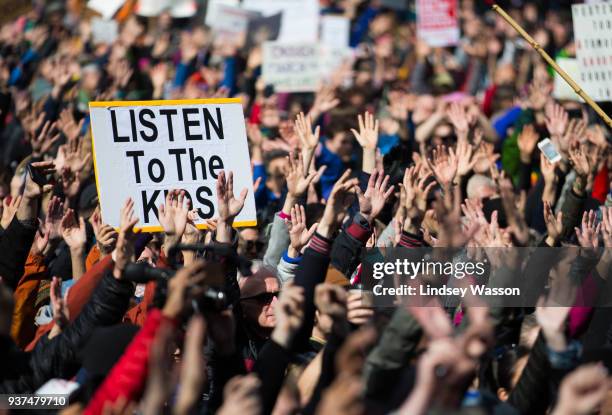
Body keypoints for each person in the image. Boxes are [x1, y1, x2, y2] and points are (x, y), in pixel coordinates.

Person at [0, 1, 611, 414]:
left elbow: (358, 275)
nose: (281, 294)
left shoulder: (63, 393)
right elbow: (52, 375)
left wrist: (109, 254)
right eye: (269, 297)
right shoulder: (57, 392)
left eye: (279, 297)